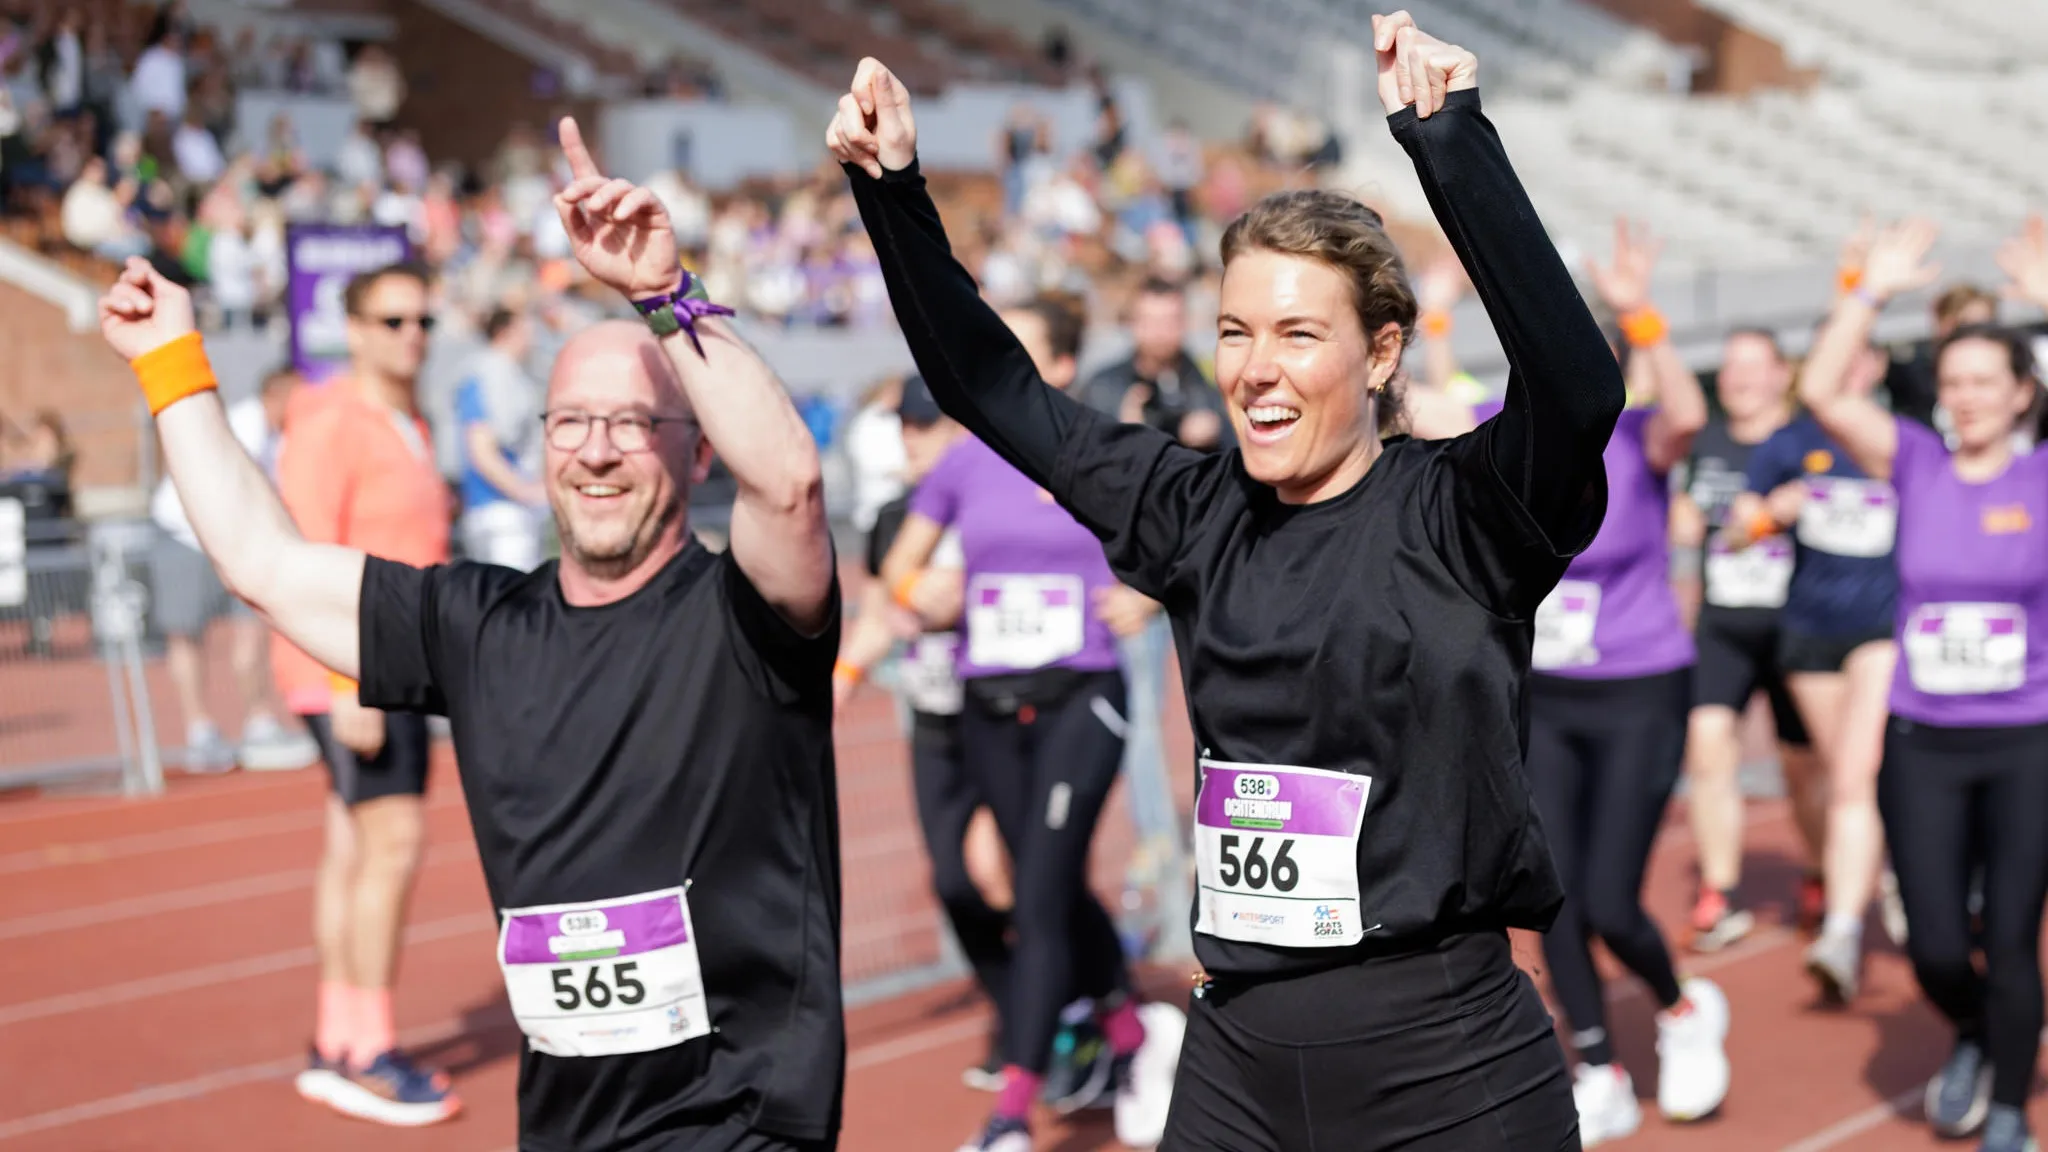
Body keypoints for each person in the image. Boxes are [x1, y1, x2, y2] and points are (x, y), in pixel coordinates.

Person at [831, 13, 1611, 1147]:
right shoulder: (1190, 511)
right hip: (1236, 1061)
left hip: (1444, 1065)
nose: (1255, 369)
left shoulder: (1465, 514)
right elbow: (991, 389)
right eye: (1234, 332)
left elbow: (1577, 391)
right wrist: (890, 190)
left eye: (1298, 334)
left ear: (1380, 352)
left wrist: (1448, 145)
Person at [97, 113, 844, 1151]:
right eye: (569, 423)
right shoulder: (479, 625)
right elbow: (262, 564)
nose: (594, 452)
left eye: (632, 424)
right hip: (562, 1128)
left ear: (697, 454)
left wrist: (664, 294)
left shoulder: (749, 620)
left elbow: (793, 482)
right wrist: (170, 360)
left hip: (738, 1125)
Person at [871, 296, 1181, 1149]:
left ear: (1065, 367)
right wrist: (915, 593)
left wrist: (1153, 596)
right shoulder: (965, 463)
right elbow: (896, 567)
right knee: (1046, 879)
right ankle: (1129, 1032)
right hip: (989, 707)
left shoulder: (1106, 455)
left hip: (1085, 699)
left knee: (1039, 896)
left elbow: (1192, 548)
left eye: (1020, 346)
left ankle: (1012, 1111)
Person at [1796, 215, 2048, 1152]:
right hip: (1925, 739)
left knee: (2013, 933)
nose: (1968, 397)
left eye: (1988, 381)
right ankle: (1980, 1029)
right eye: (1954, 381)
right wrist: (1867, 292)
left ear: (2025, 393)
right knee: (1938, 943)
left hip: (2028, 737)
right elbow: (1819, 387)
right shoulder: (1916, 461)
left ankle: (2013, 1108)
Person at [1473, 218, 1727, 1145]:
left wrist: (1640, 313)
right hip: (1549, 697)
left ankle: (1681, 1007)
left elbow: (1691, 416)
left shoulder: (1640, 440)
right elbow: (1414, 419)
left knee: (1612, 897)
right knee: (1555, 897)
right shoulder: (1502, 442)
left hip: (1639, 690)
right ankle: (1597, 1060)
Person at [258, 261, 459, 1122]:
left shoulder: (407, 416)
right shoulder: (331, 421)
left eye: (421, 322)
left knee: (352, 845)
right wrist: (350, 679)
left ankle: (338, 1036)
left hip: (396, 666)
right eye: (391, 322)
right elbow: (306, 553)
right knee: (391, 845)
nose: (410, 336)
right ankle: (369, 1048)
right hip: (358, 669)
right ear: (352, 328)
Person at [831, 374, 1017, 1092]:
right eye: (904, 427)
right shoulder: (889, 522)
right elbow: (878, 612)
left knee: (998, 871)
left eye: (926, 425)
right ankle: (1019, 1006)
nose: (911, 440)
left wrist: (963, 602)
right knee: (952, 883)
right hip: (935, 730)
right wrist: (843, 680)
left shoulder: (992, 507)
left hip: (1004, 719)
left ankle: (1055, 1013)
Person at [1722, 308, 1902, 1004]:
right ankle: (1864, 873)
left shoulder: (1898, 442)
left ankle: (1843, 930)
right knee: (1835, 774)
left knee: (1859, 772)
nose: (1850, 370)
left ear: (1877, 366)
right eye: (1837, 356)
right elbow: (1735, 534)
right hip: (1809, 632)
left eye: (1860, 357)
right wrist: (1770, 515)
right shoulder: (1787, 443)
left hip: (1881, 629)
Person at [1673, 329, 1823, 950]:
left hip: (1800, 628)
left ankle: (1822, 871)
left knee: (1803, 764)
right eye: (1729, 367)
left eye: (1751, 367)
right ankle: (1720, 891)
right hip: (1725, 624)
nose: (1736, 379)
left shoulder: (1811, 443)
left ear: (1781, 375)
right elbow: (1684, 517)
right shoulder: (1706, 441)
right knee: (1707, 744)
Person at [148, 365, 319, 772]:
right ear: (275, 396)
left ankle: (259, 721)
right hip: (184, 534)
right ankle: (199, 731)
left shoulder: (284, 438)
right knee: (186, 633)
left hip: (238, 539)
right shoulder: (240, 424)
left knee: (253, 629)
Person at [455, 305, 547, 571]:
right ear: (504, 332)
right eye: (526, 329)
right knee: (510, 603)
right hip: (499, 512)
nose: (532, 337)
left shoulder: (510, 373)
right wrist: (526, 492)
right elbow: (481, 447)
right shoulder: (487, 374)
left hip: (511, 511)